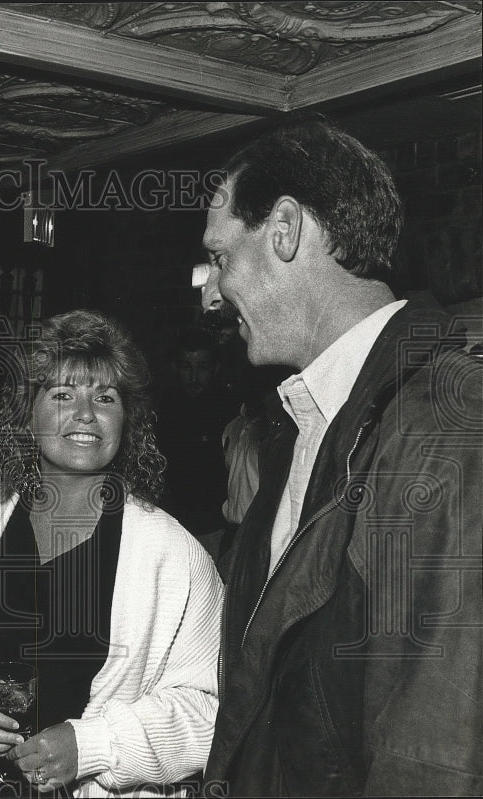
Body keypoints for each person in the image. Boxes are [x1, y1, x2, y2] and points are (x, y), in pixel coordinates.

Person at [200, 119, 483, 795]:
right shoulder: (306, 423)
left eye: (219, 257)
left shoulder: (446, 423)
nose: (211, 292)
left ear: (286, 230)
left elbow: (436, 756)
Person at [0, 309, 224, 797]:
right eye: (63, 394)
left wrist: (92, 745)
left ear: (126, 420)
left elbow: (207, 708)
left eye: (105, 398)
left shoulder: (172, 553)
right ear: (28, 413)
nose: (85, 413)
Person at [155, 327, 238, 558]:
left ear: (215, 368)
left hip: (217, 530)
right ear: (175, 368)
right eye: (186, 367)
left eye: (201, 368)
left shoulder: (231, 413)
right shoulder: (163, 410)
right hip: (172, 527)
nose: (193, 377)